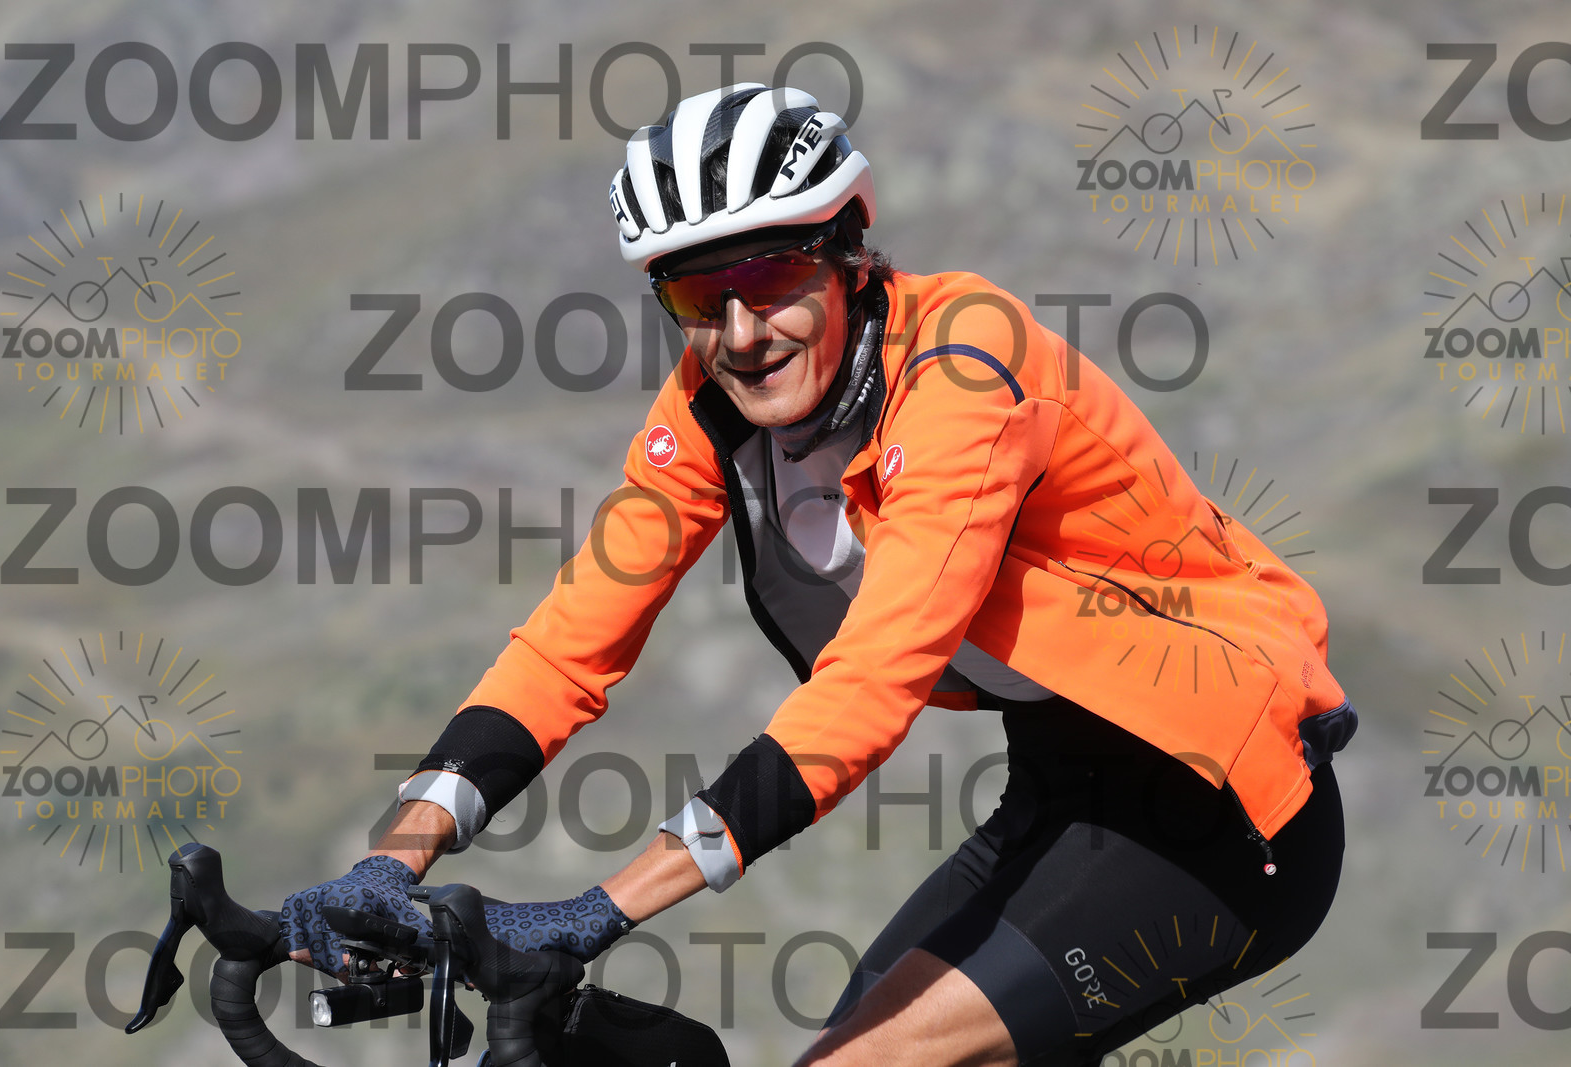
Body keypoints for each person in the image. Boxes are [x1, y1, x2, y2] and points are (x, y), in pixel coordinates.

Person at [281, 83, 1356, 1066]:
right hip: (1061, 791)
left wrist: (603, 907)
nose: (741, 333)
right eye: (699, 292)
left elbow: (873, 680)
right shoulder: (711, 403)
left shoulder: (965, 365)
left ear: (848, 257)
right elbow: (573, 637)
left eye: (771, 278)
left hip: (1222, 801)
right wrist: (394, 859)